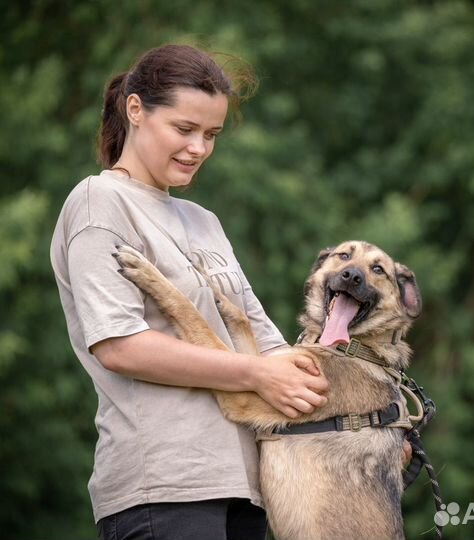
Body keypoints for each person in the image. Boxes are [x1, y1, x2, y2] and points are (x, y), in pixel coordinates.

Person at [50, 44, 329, 540]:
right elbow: (120, 346)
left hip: (255, 485)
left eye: (212, 135)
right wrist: (255, 373)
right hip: (163, 487)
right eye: (184, 129)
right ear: (135, 109)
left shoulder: (204, 222)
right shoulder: (100, 201)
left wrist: (364, 421)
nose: (198, 148)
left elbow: (270, 348)